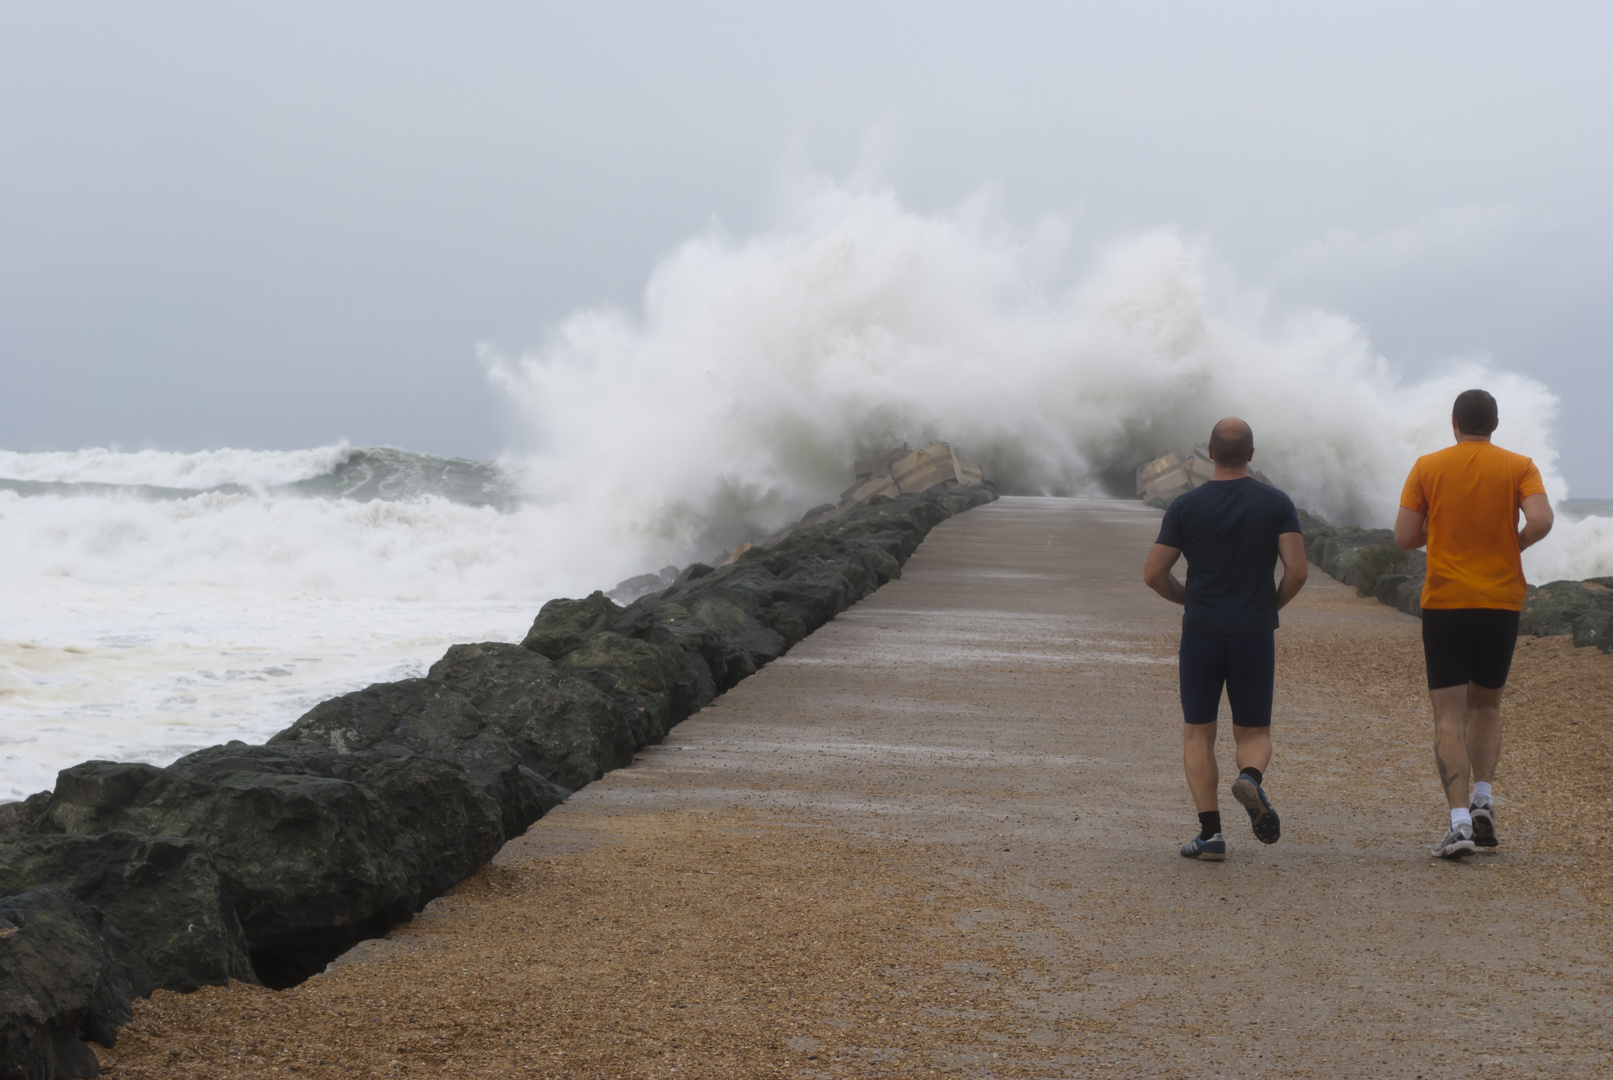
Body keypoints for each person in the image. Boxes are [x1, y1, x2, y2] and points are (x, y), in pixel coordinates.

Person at [1394, 389, 1553, 859]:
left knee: (1448, 714)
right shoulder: (1519, 465)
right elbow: (1541, 520)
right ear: (1496, 424)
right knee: (1486, 708)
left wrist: (1439, 527)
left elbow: (1404, 536)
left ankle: (1460, 823)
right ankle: (1484, 797)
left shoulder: (1428, 466)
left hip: (1446, 602)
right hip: (1500, 601)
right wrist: (1513, 545)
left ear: (1453, 423)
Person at [1143, 418, 1309, 860]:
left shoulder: (1186, 506)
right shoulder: (1276, 503)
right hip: (1253, 632)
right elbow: (1297, 571)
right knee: (1253, 729)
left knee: (1198, 733)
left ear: (1210, 455)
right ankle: (1250, 777)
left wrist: (1186, 599)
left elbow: (1153, 574)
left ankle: (1211, 835)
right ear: (1252, 455)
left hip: (1202, 633)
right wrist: (1270, 606)